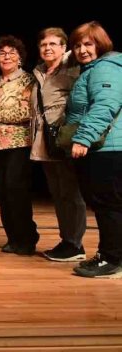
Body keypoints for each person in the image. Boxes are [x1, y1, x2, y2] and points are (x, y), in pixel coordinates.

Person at [66, 22, 122, 278]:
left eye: (88, 44)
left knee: (108, 205)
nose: (82, 50)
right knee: (106, 204)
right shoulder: (93, 69)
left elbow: (105, 105)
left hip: (107, 148)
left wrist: (83, 138)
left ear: (101, 44)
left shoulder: (105, 68)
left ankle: (112, 259)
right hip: (104, 147)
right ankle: (108, 254)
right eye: (77, 45)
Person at [0, 36, 39, 255]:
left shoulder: (28, 80)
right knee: (3, 193)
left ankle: (26, 239)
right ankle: (13, 238)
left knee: (17, 191)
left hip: (18, 144)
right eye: (2, 53)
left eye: (12, 53)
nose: (6, 57)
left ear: (20, 58)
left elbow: (28, 111)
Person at [30, 27, 87, 262]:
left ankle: (75, 244)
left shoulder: (73, 69)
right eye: (44, 45)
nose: (48, 48)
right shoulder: (39, 72)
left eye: (53, 44)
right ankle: (67, 240)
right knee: (58, 193)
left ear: (64, 47)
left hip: (65, 139)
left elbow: (82, 102)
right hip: (46, 142)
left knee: (70, 193)